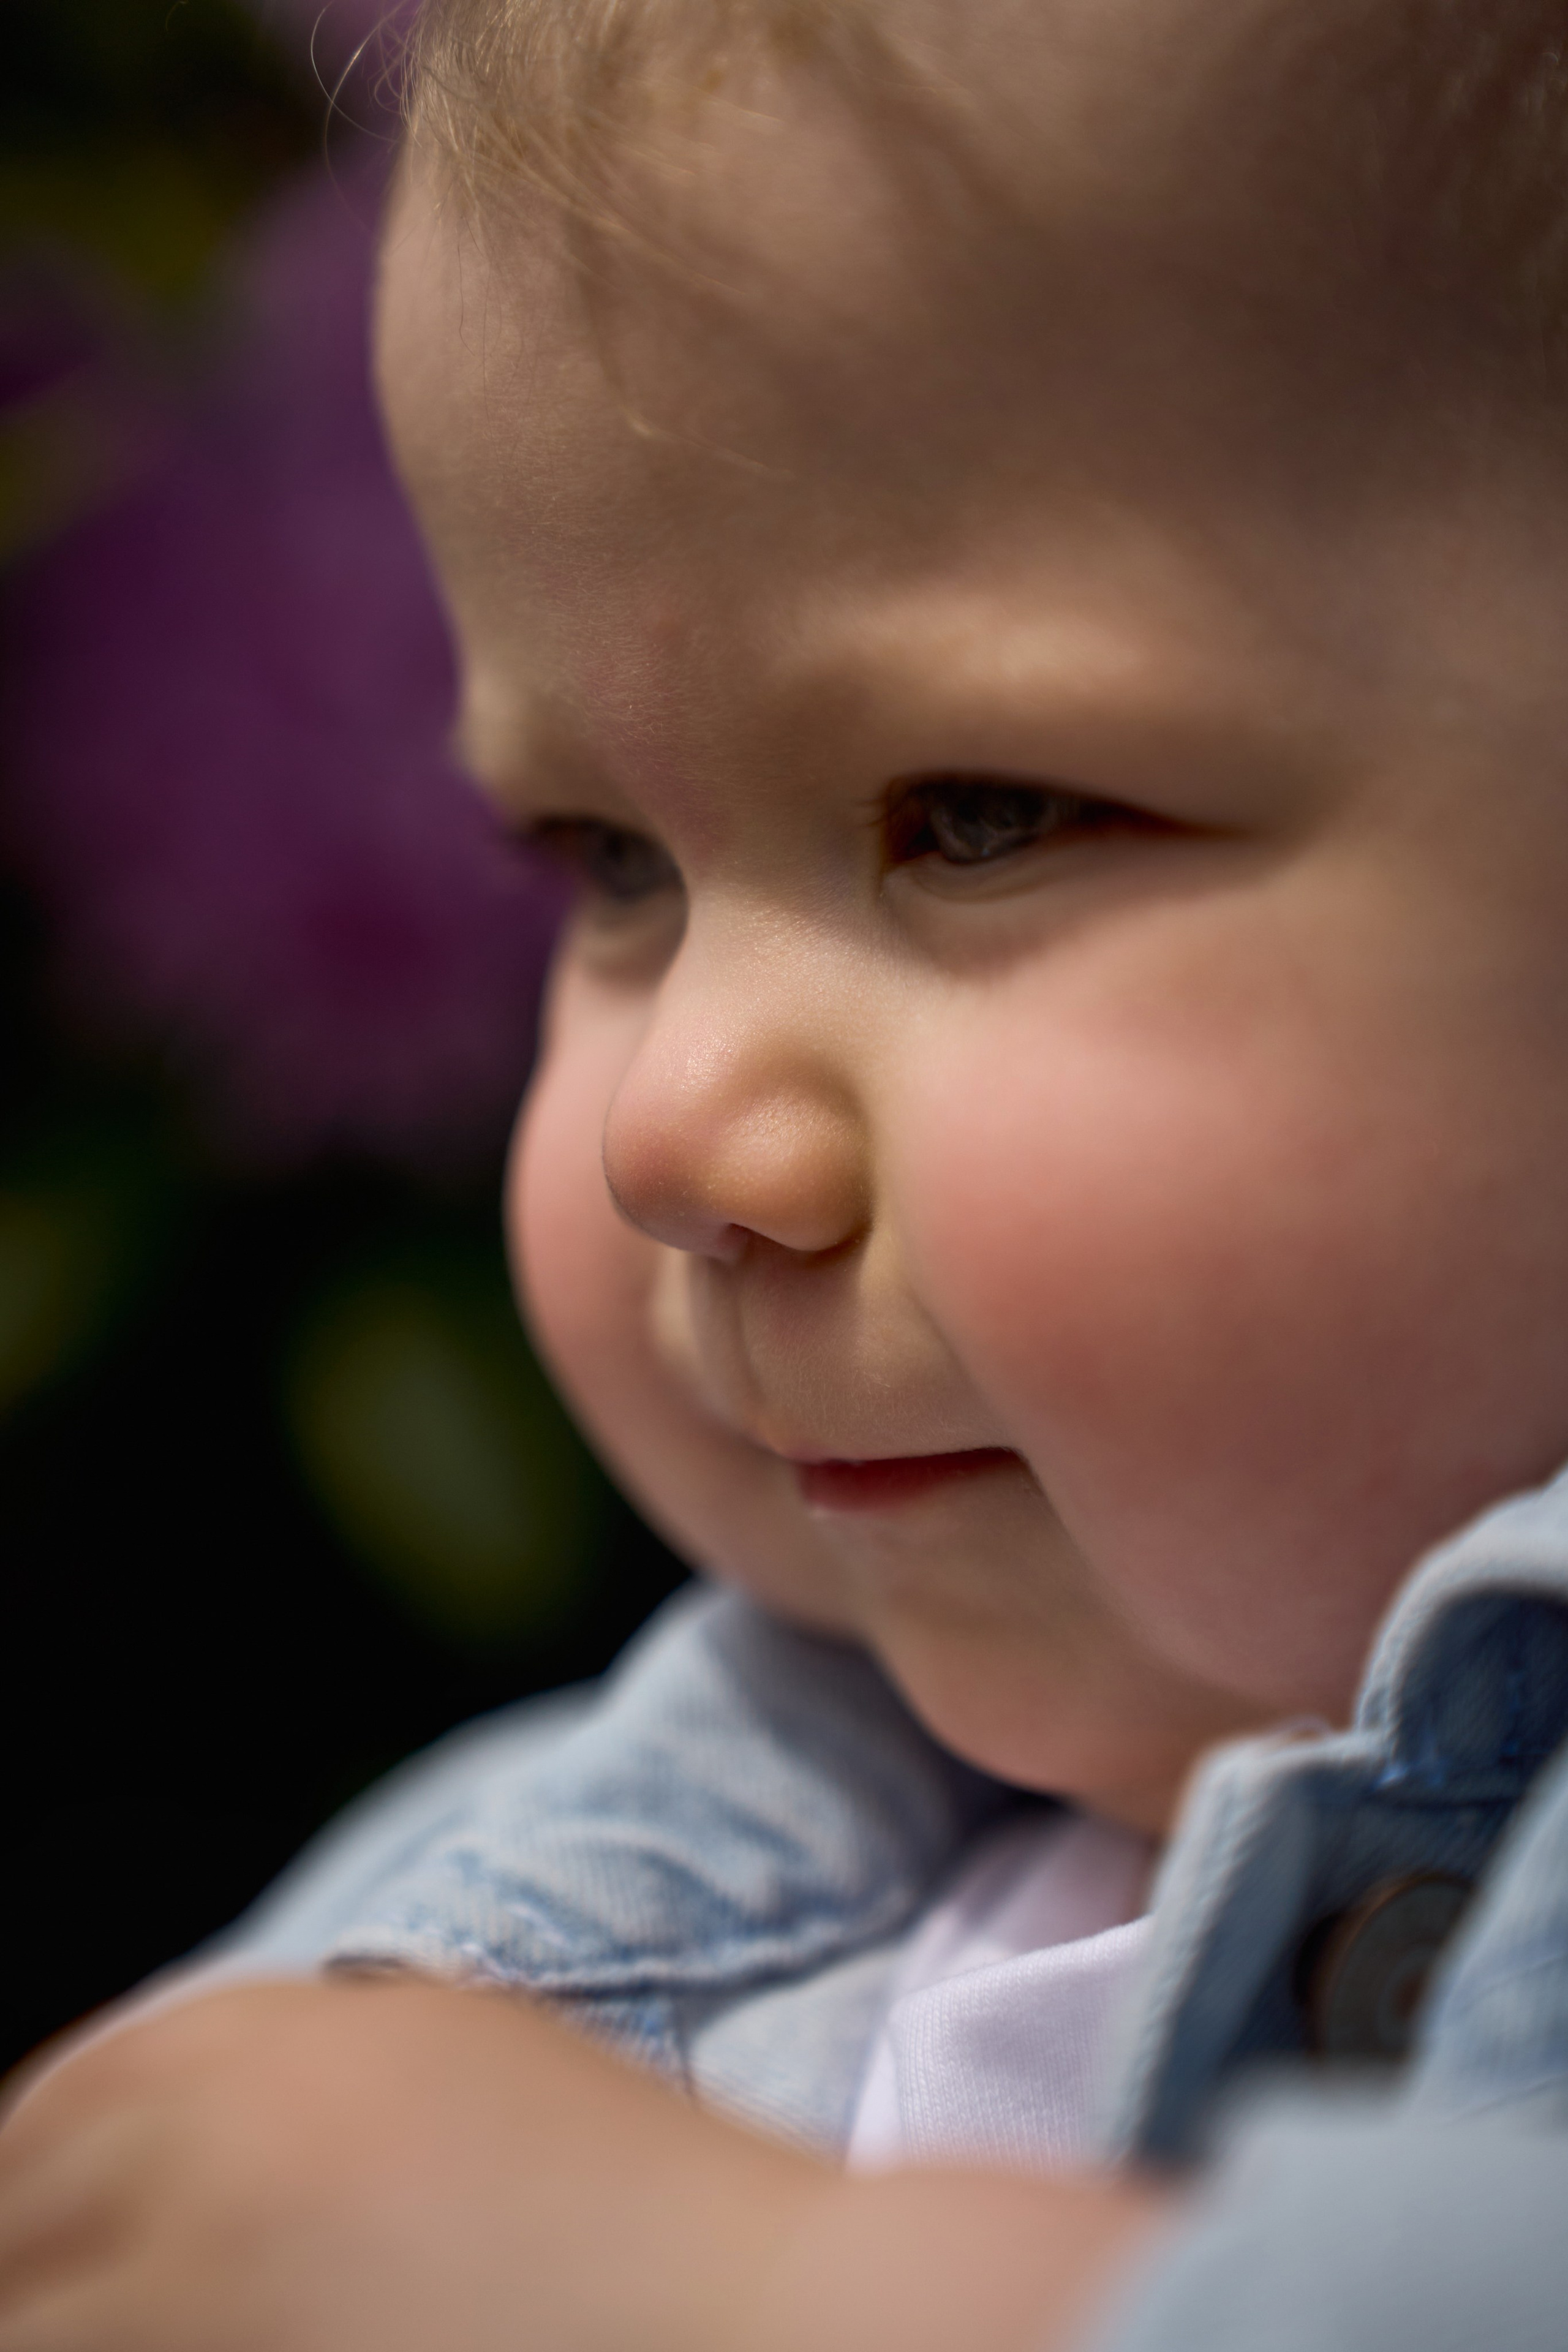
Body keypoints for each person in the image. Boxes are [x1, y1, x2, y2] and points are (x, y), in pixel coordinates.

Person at [6, 0, 1568, 2343]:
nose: (670, 1134)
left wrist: (769, 2300)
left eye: (984, 815)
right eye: (609, 864)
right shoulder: (517, 1904)